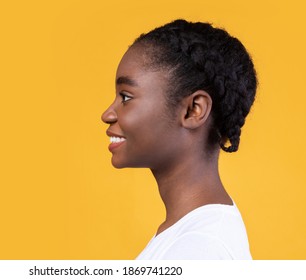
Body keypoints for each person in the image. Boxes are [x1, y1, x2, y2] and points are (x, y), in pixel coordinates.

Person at [101, 19, 257, 260]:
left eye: (126, 97)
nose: (107, 114)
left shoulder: (200, 250)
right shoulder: (188, 236)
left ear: (193, 110)